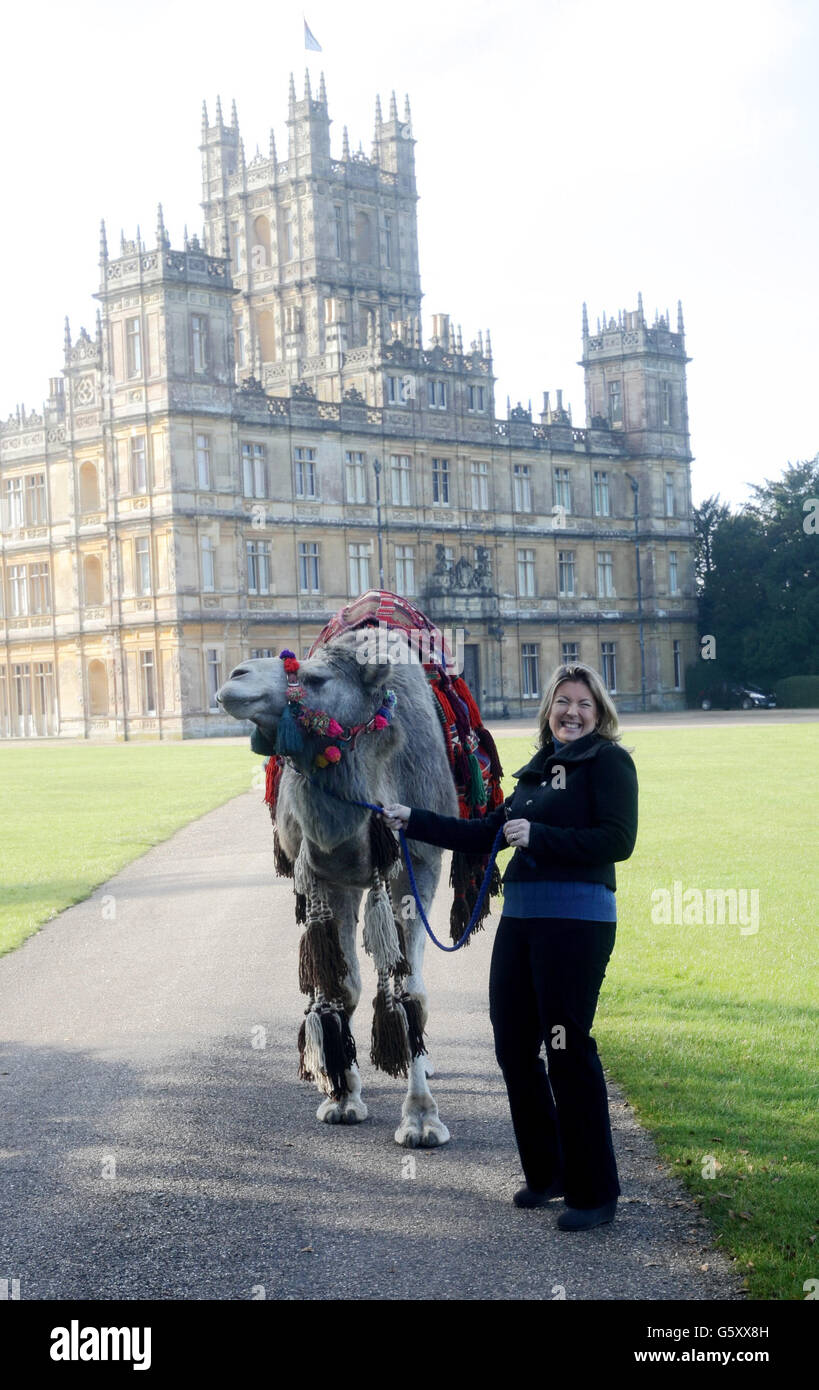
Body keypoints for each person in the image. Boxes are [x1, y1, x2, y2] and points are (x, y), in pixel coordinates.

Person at [381, 662, 638, 1232]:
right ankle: (547, 1174)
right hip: (522, 923)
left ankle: (595, 1192)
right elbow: (484, 832)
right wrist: (412, 820)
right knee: (514, 1046)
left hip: (575, 922)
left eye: (584, 705)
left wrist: (540, 836)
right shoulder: (537, 772)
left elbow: (619, 841)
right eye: (563, 702)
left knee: (567, 1049)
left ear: (599, 715)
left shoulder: (609, 762)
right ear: (549, 708)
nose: (572, 712)